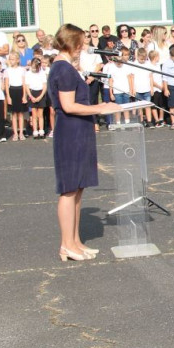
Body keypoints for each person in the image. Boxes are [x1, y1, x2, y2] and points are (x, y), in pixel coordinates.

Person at [47, 24, 118, 261]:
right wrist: (100, 107)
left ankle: (75, 242)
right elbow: (67, 106)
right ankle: (66, 244)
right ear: (73, 44)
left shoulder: (67, 67)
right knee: (69, 190)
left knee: (78, 188)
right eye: (82, 43)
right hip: (71, 132)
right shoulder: (63, 68)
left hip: (79, 129)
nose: (84, 47)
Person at [4, 52, 28, 140]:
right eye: (10, 59)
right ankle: (15, 133)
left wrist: (24, 96)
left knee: (21, 114)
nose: (11, 61)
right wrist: (8, 97)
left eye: (13, 59)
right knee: (14, 114)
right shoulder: (7, 70)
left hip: (20, 90)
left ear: (18, 60)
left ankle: (21, 133)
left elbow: (24, 83)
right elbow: (6, 85)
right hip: (12, 91)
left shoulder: (22, 70)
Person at [25, 57, 48, 139]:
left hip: (40, 93)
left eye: (36, 67)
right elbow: (27, 86)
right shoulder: (28, 73)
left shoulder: (42, 73)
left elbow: (45, 86)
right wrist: (31, 96)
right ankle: (35, 131)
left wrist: (40, 96)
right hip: (32, 93)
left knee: (40, 114)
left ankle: (41, 130)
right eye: (33, 67)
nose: (34, 69)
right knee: (34, 114)